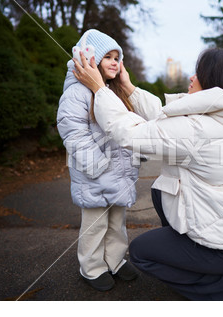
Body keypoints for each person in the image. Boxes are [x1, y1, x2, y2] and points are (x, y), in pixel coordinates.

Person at [73, 47, 223, 300]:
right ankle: (208, 268)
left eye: (199, 74)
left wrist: (100, 89)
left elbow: (130, 133)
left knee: (141, 252)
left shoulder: (199, 128)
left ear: (216, 84)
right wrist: (130, 88)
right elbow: (163, 121)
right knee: (162, 190)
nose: (192, 77)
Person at [56, 29, 162, 292]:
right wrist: (97, 166)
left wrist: (137, 153)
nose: (115, 62)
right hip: (94, 173)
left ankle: (114, 260)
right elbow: (73, 133)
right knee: (95, 224)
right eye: (108, 57)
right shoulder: (76, 93)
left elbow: (131, 125)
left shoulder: (115, 92)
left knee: (117, 221)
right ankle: (91, 267)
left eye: (118, 57)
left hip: (120, 172)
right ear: (90, 59)